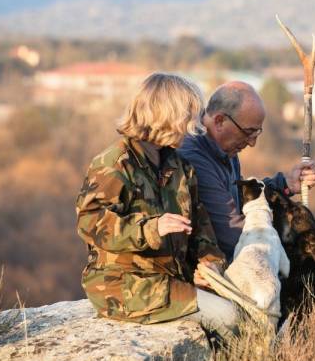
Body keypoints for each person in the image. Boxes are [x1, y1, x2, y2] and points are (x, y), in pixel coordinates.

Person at [76, 73, 238, 338]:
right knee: (227, 317)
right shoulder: (115, 163)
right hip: (125, 286)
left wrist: (211, 266)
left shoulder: (179, 166)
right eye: (187, 116)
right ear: (166, 115)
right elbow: (90, 224)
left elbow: (201, 228)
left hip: (172, 281)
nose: (191, 126)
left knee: (247, 305)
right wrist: (151, 228)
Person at [178, 81, 315, 261]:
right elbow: (233, 235)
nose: (252, 143)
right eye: (248, 132)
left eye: (257, 133)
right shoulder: (194, 157)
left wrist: (286, 185)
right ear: (220, 121)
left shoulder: (226, 146)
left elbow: (241, 199)